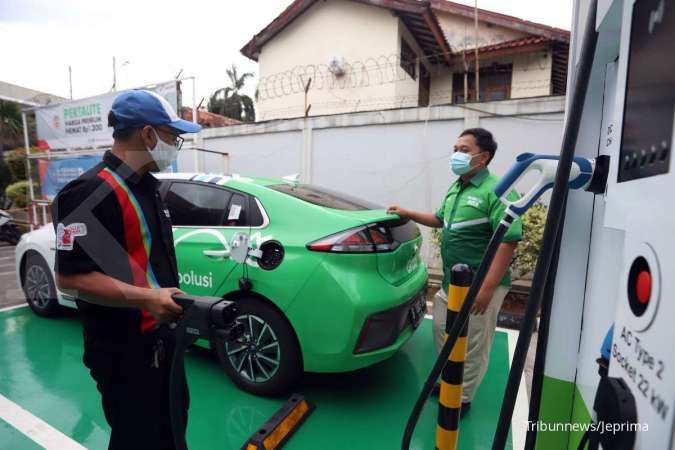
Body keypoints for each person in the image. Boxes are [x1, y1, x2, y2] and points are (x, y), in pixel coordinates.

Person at [52, 90, 201, 449]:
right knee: (138, 438)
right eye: (172, 136)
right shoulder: (90, 192)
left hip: (163, 343)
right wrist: (147, 298)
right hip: (125, 353)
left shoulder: (148, 188)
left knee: (172, 427)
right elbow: (70, 277)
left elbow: (140, 266)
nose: (175, 145)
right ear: (147, 135)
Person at [388, 128, 522, 417]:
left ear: (483, 157)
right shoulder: (456, 187)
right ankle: (451, 380)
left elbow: (509, 239)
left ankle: (461, 398)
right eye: (455, 148)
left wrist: (486, 288)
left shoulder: (499, 190)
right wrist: (409, 213)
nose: (456, 154)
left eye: (464, 149)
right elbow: (439, 219)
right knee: (441, 329)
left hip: (481, 284)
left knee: (473, 342)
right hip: (453, 282)